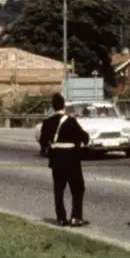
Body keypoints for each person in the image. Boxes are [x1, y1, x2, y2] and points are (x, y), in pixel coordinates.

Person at [38, 93, 90, 227]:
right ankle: (76, 217)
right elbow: (84, 137)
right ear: (64, 105)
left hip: (56, 160)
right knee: (77, 189)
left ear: (52, 106)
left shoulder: (47, 122)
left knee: (59, 190)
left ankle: (61, 218)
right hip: (72, 159)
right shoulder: (71, 121)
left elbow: (43, 142)